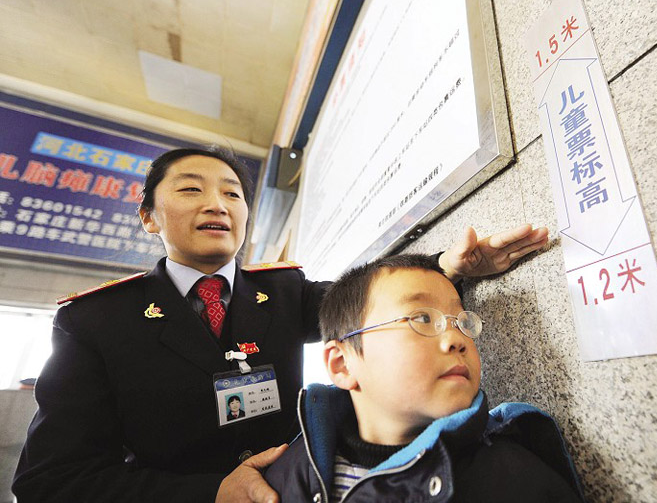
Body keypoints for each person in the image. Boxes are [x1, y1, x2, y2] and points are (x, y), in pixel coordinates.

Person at [12, 146, 549, 503]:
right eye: (190, 189)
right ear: (149, 216)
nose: (216, 204)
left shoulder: (282, 292)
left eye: (232, 193)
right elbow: (51, 481)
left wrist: (449, 268)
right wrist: (211, 493)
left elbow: (360, 305)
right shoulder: (95, 320)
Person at [264, 254, 583, 502]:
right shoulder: (283, 477)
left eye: (460, 321)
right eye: (421, 318)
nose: (456, 339)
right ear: (343, 364)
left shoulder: (515, 479)